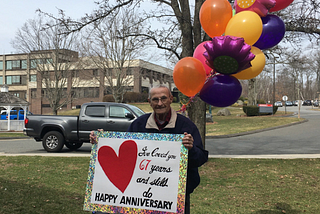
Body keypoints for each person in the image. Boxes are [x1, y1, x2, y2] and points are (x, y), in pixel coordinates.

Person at [90, 85, 208, 214]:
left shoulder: (186, 126)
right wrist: (101, 141)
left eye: (163, 98)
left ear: (170, 99)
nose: (160, 103)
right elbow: (125, 154)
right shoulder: (138, 124)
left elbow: (201, 158)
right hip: (142, 193)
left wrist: (191, 149)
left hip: (175, 195)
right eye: (155, 100)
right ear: (149, 102)